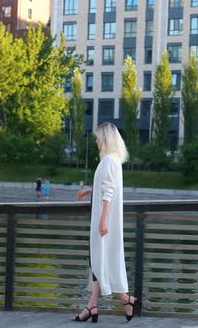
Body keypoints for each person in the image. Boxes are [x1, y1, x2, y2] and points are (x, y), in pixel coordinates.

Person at [73, 122, 138, 323]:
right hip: (104, 221)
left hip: (104, 222)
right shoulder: (112, 160)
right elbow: (107, 187)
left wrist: (102, 220)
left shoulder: (109, 161)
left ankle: (125, 299)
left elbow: (109, 192)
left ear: (106, 138)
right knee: (98, 261)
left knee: (99, 262)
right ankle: (94, 305)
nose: (96, 141)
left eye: (98, 137)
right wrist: (91, 190)